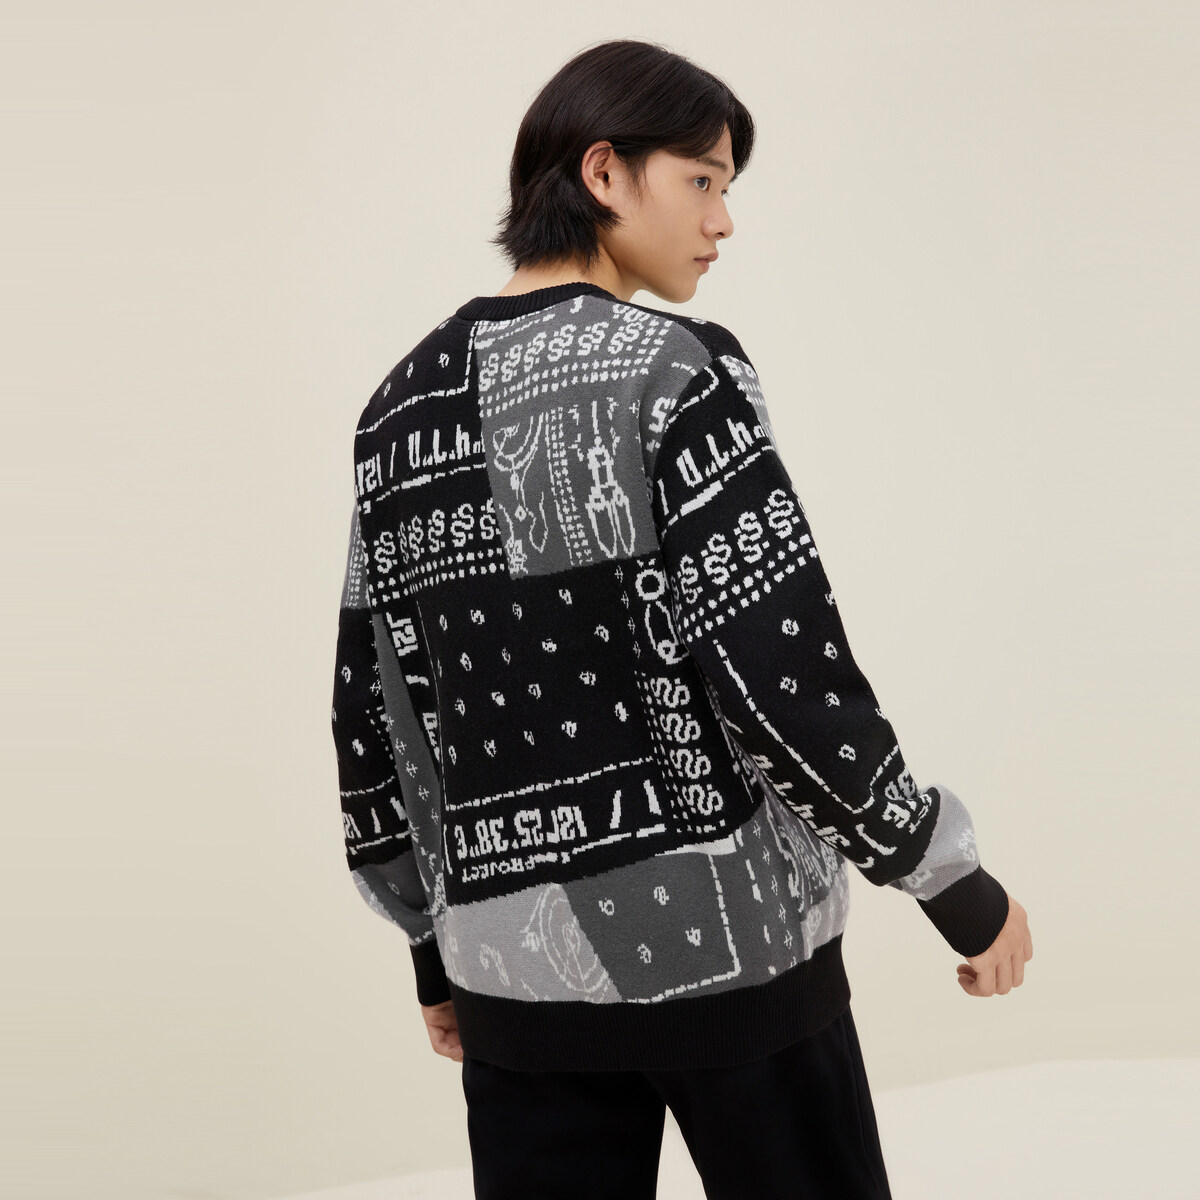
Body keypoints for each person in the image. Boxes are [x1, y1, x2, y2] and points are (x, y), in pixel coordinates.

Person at [330, 37, 1033, 1200]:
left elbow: (380, 704)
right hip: (734, 959)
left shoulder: (396, 410)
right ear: (605, 171)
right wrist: (945, 874)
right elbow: (776, 672)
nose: (723, 219)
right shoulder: (676, 372)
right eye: (702, 179)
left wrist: (429, 946)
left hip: (511, 977)